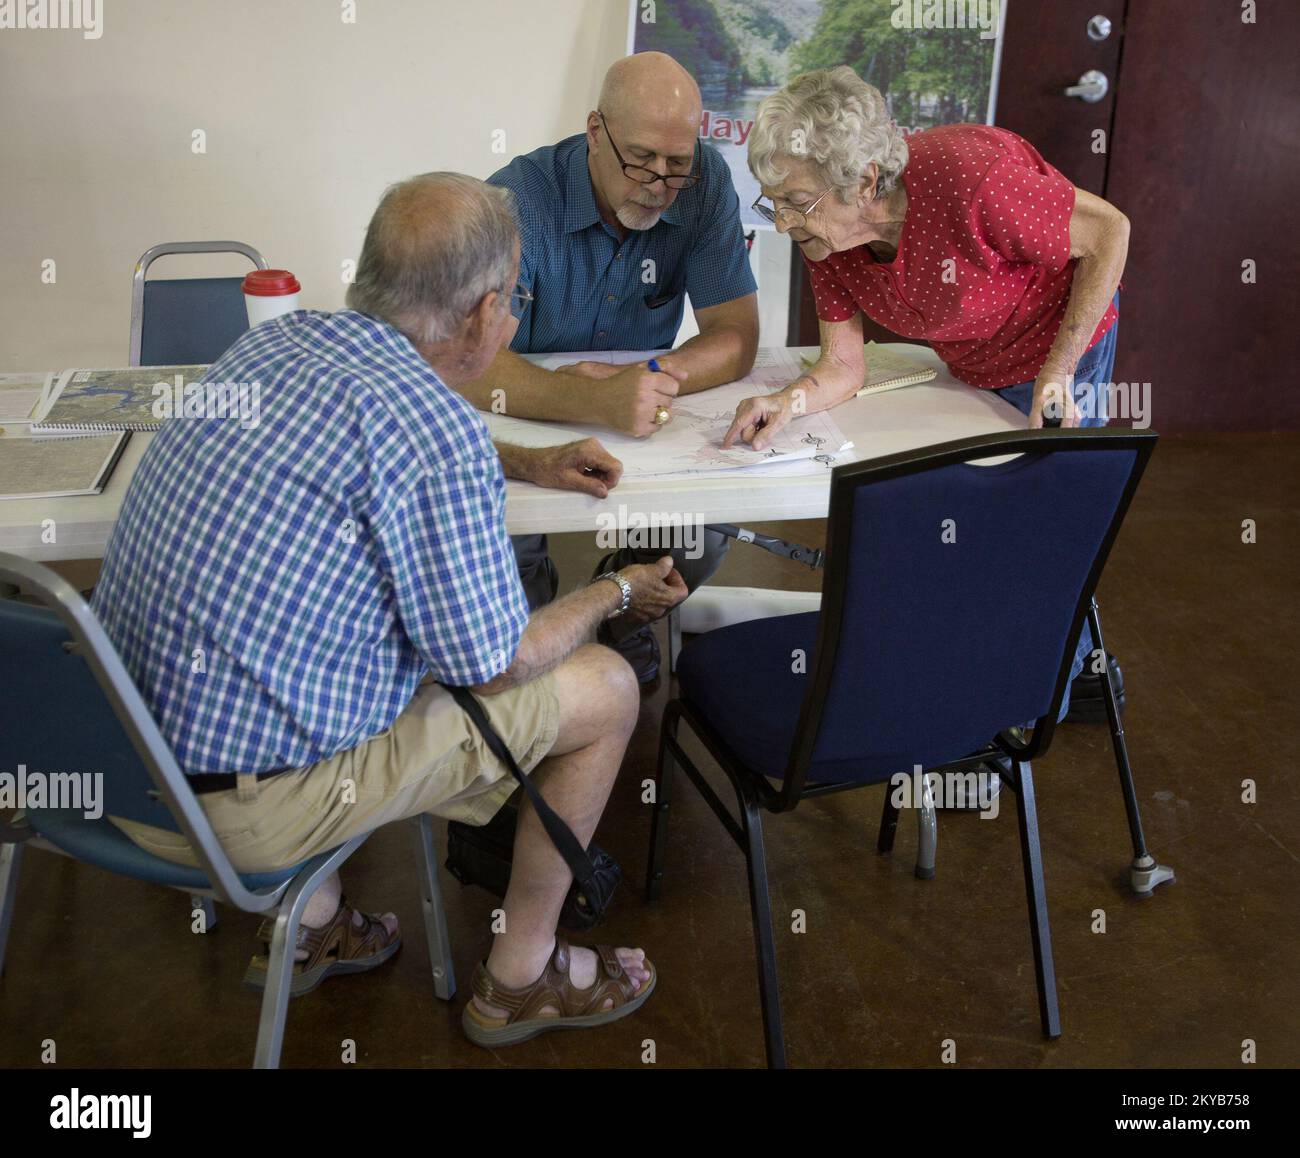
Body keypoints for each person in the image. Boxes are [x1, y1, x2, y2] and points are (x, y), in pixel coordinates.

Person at [91, 172, 688, 1046]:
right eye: (513, 303)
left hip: (111, 763)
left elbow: (380, 440)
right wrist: (617, 591)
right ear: (484, 314)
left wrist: (520, 461)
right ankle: (523, 976)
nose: (513, 321)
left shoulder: (270, 345)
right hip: (235, 817)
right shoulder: (430, 430)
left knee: (323, 632)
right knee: (602, 687)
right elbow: (494, 662)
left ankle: (317, 924)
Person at [729, 66, 1130, 721]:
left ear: (861, 181)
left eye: (794, 199)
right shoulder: (826, 241)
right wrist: (790, 402)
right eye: (770, 199)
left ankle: (1046, 697)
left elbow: (1109, 233)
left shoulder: (971, 180)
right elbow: (842, 367)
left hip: (1058, 349)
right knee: (980, 529)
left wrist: (1060, 369)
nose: (780, 221)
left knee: (1040, 530)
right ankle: (1017, 684)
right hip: (977, 361)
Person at [453, 51, 760, 684]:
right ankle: (544, 645)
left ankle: (614, 622)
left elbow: (736, 337)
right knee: (503, 555)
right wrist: (590, 401)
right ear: (596, 132)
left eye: (678, 164)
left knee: (706, 532)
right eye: (641, 159)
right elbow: (471, 365)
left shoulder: (702, 184)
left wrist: (651, 376)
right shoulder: (516, 200)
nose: (659, 182)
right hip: (516, 416)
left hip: (638, 420)